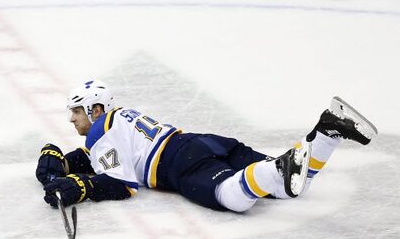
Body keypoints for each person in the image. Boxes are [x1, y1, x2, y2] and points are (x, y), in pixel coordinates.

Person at [36, 80, 377, 213]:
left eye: (77, 111)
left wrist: (80, 187)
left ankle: (276, 167)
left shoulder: (99, 134)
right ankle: (329, 132)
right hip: (203, 143)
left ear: (96, 110)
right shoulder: (121, 116)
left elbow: (122, 184)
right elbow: (106, 158)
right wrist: (61, 164)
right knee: (291, 187)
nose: (71, 120)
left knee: (233, 198)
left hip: (182, 165)